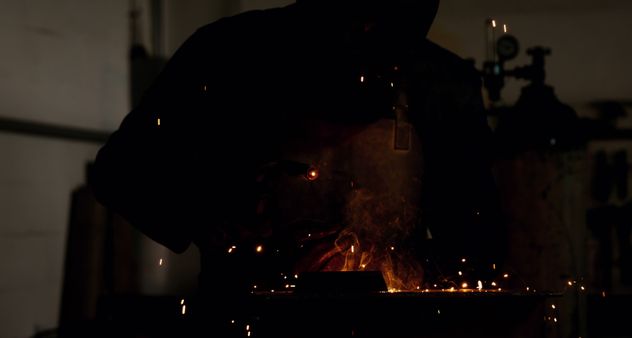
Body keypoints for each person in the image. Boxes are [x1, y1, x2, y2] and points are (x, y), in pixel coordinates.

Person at [90, 0, 507, 335]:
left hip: (393, 327)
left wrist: (398, 267)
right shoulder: (227, 56)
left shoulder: (439, 83)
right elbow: (119, 174)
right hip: (249, 323)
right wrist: (213, 217)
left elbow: (478, 242)